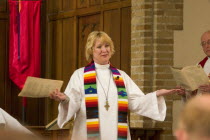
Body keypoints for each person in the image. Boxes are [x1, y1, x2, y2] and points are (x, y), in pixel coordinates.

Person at [50, 31, 183, 140]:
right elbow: (74, 102)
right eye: (99, 47)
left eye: (107, 46)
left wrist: (156, 94)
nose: (104, 50)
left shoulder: (120, 76)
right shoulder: (80, 75)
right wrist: (64, 99)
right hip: (87, 134)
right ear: (91, 50)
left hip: (116, 134)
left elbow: (135, 102)